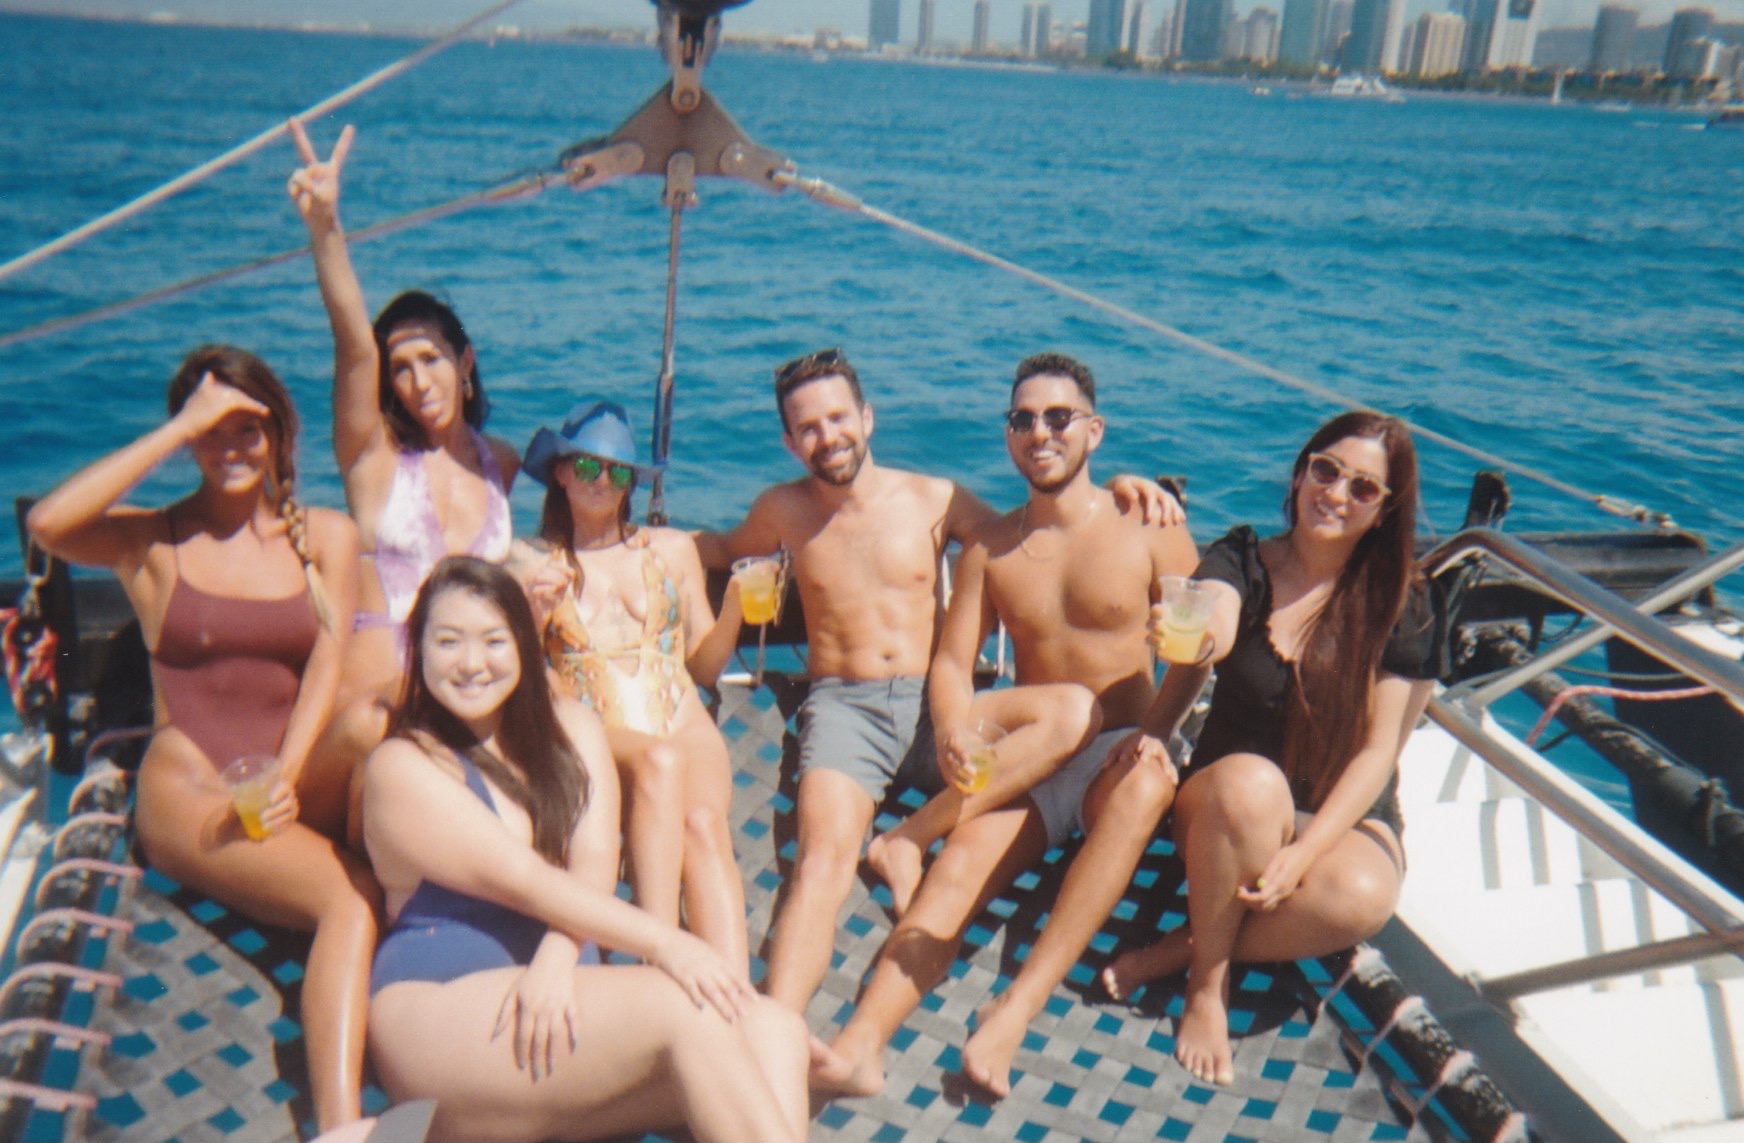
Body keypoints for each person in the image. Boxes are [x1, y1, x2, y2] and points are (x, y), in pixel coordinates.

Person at [693, 348, 1183, 1015]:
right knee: (820, 863)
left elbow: (1039, 525)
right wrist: (636, 543)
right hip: (844, 710)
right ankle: (774, 1024)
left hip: (932, 706)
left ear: (867, 418)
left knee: (1071, 712)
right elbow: (721, 548)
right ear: (788, 441)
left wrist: (1124, 487)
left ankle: (908, 841)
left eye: (838, 418)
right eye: (807, 427)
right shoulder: (780, 510)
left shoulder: (936, 499)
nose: (827, 436)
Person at [810, 352, 1198, 1100]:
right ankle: (859, 1045)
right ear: (1008, 434)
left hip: (1121, 748)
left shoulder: (1148, 524)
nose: (1039, 432)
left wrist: (1159, 730)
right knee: (953, 878)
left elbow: (1197, 649)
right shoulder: (990, 546)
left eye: (1058, 417)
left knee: (1145, 781)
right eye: (1022, 419)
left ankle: (1012, 1012)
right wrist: (953, 730)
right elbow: (953, 665)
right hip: (1038, 753)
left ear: (1093, 430)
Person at [26, 345, 375, 1132]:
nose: (229, 446)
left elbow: (327, 663)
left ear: (280, 435)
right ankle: (343, 1126)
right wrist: (179, 426)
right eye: (209, 431)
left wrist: (287, 772)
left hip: (286, 771)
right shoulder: (152, 541)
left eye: (246, 427)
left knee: (375, 731)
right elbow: (48, 524)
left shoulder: (326, 535)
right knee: (350, 902)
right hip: (192, 786)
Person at [362, 556, 808, 1142]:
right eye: (448, 642)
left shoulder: (571, 729)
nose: (471, 663)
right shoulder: (403, 767)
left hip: (560, 1011)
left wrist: (557, 953)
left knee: (775, 1030)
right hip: (443, 1016)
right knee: (685, 1006)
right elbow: (524, 880)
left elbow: (593, 865)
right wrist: (668, 943)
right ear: (417, 650)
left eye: (493, 640)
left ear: (525, 644)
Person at [1099, 410, 1443, 1088]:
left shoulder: (1403, 604)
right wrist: (1186, 656)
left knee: (1365, 896)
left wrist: (1305, 854)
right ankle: (1208, 983)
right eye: (1326, 470)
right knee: (1253, 786)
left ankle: (1183, 946)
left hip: (1336, 808)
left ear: (1384, 510)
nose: (1336, 493)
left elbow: (1379, 753)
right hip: (1227, 805)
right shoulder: (1245, 558)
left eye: (1362, 487)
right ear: (1299, 473)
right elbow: (1216, 621)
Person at [286, 122, 517, 817]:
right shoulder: (375, 460)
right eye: (401, 369)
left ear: (464, 361)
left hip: (466, 697)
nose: (417, 382)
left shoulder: (499, 463)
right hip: (374, 715)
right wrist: (326, 229)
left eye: (431, 359)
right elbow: (353, 344)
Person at [510, 400, 750, 971]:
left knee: (702, 825)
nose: (602, 481)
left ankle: (737, 994)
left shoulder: (672, 550)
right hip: (597, 736)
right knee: (658, 764)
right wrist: (534, 614)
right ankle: (658, 963)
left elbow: (705, 668)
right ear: (561, 473)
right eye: (586, 467)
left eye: (617, 472)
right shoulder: (530, 561)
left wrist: (737, 608)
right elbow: (514, 669)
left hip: (681, 719)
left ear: (631, 484)